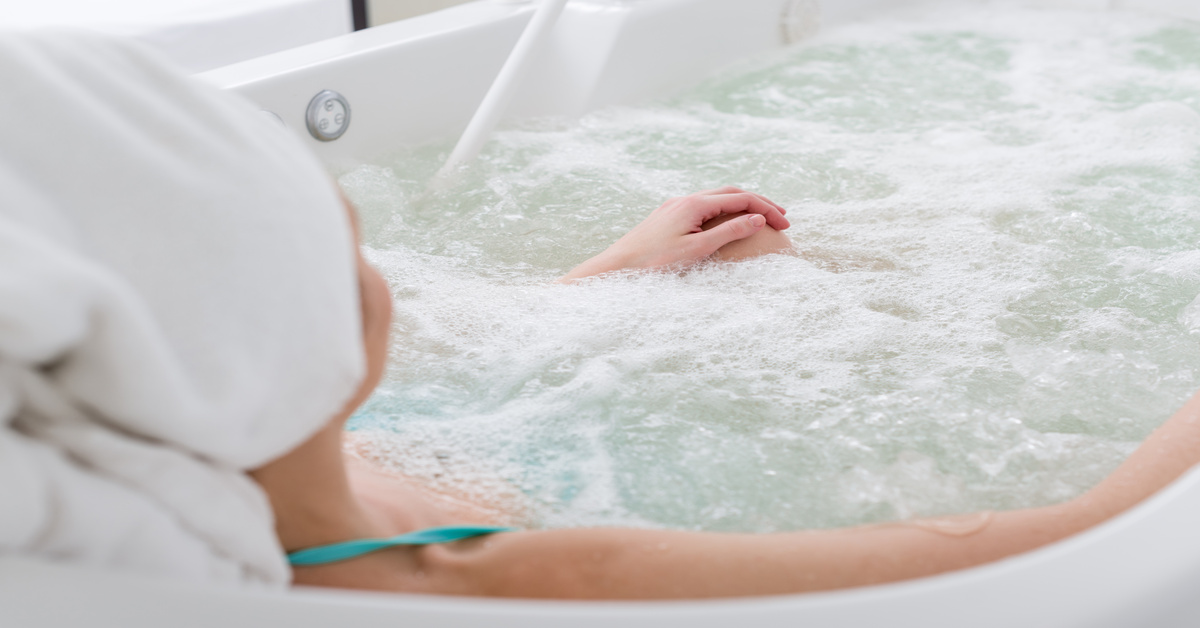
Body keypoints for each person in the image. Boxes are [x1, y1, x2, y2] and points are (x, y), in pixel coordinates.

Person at [3, 30, 1199, 599]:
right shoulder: (495, 574)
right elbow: (1076, 539)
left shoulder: (227, 455)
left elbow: (403, 383)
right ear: (285, 335)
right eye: (350, 244)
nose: (379, 277)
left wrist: (601, 288)